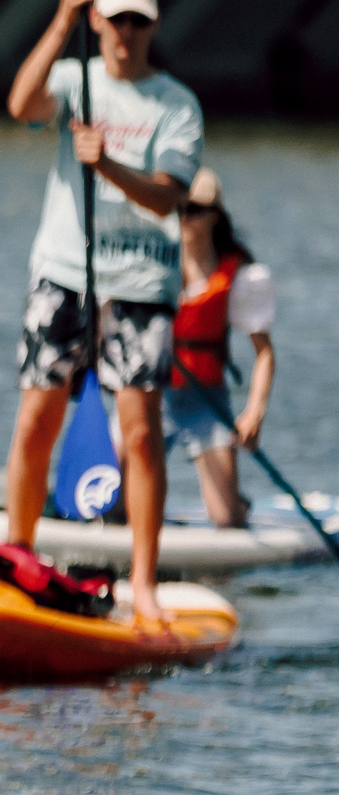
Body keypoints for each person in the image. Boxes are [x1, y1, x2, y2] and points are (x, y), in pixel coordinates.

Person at [2, 0, 199, 625]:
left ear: (153, 26)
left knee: (140, 438)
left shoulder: (177, 104)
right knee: (37, 421)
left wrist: (107, 162)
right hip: (64, 272)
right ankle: (18, 555)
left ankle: (143, 585)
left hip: (139, 285)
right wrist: (61, 17)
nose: (127, 33)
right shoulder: (74, 80)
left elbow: (167, 197)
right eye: (116, 20)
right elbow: (21, 104)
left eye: (139, 21)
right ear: (99, 23)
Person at [167, 167, 276, 529]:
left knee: (225, 519)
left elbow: (264, 353)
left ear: (214, 215)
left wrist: (253, 413)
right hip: (155, 395)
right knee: (113, 507)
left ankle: (236, 502)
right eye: (177, 209)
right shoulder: (153, 266)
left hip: (206, 402)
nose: (184, 218)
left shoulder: (239, 276)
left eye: (193, 210)